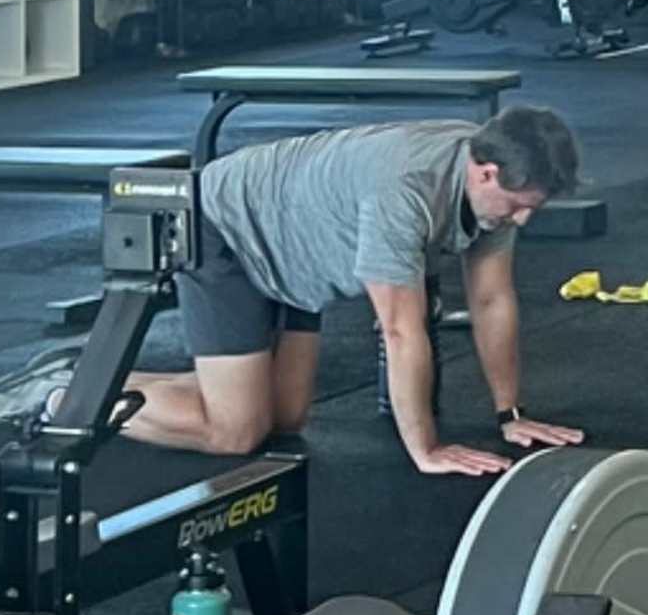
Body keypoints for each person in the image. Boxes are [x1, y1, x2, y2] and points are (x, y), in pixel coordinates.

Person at [63, 105, 589, 475]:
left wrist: (509, 415)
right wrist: (426, 449)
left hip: (296, 252)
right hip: (227, 230)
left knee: (285, 420)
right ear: (485, 171)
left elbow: (492, 299)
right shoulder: (406, 191)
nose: (522, 218)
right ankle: (66, 399)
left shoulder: (490, 185)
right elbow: (400, 330)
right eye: (519, 203)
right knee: (236, 431)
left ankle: (98, 374)